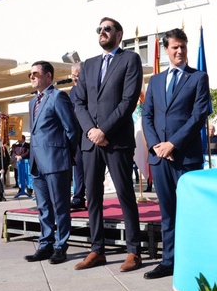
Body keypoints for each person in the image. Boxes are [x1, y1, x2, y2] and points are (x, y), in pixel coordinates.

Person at [73, 17, 144, 272]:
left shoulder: (130, 60)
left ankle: (134, 251)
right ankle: (97, 249)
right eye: (99, 29)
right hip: (90, 142)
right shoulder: (89, 65)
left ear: (118, 33)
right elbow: (78, 102)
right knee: (92, 196)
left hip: (117, 140)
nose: (102, 32)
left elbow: (128, 100)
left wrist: (104, 130)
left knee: (125, 194)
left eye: (107, 29)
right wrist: (92, 130)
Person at [142, 28, 211, 279]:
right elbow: (147, 115)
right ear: (166, 49)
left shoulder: (198, 78)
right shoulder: (156, 80)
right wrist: (156, 146)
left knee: (189, 211)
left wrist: (173, 144)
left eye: (183, 46)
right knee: (167, 212)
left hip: (185, 157)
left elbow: (198, 116)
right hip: (160, 158)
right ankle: (168, 261)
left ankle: (193, 260)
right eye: (174, 47)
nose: (180, 51)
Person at [24, 60, 80, 264]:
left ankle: (60, 246)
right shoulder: (33, 102)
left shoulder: (58, 97)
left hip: (56, 161)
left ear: (48, 76)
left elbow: (72, 129)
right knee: (44, 207)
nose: (31, 77)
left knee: (60, 207)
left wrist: (67, 154)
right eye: (30, 74)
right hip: (37, 163)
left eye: (35, 74)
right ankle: (45, 244)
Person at [68, 62, 86, 210]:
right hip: (77, 136)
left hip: (90, 134)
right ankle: (78, 197)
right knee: (78, 167)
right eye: (73, 76)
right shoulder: (72, 91)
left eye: (77, 75)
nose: (75, 79)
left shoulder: (90, 88)